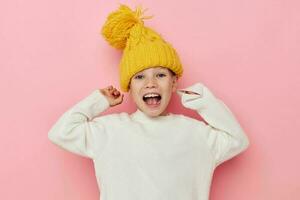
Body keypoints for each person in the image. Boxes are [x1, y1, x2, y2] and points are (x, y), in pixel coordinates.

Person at [48, 4, 250, 200]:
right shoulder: (109, 130)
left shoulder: (195, 133)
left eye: (160, 75)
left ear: (173, 83)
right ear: (129, 86)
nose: (150, 83)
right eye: (139, 77)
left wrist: (205, 103)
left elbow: (237, 140)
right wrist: (99, 100)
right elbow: (60, 132)